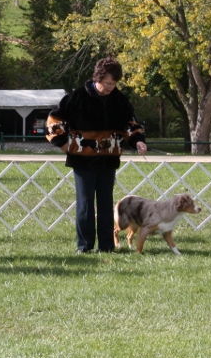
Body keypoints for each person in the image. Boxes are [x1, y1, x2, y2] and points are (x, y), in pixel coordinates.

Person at [46, 57, 147, 254]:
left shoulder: (120, 100)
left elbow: (131, 124)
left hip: (108, 160)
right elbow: (53, 120)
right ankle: (84, 246)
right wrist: (63, 143)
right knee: (85, 204)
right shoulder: (76, 97)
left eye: (114, 84)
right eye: (107, 83)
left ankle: (107, 246)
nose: (111, 87)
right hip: (82, 161)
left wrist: (138, 141)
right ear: (97, 78)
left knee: (106, 204)